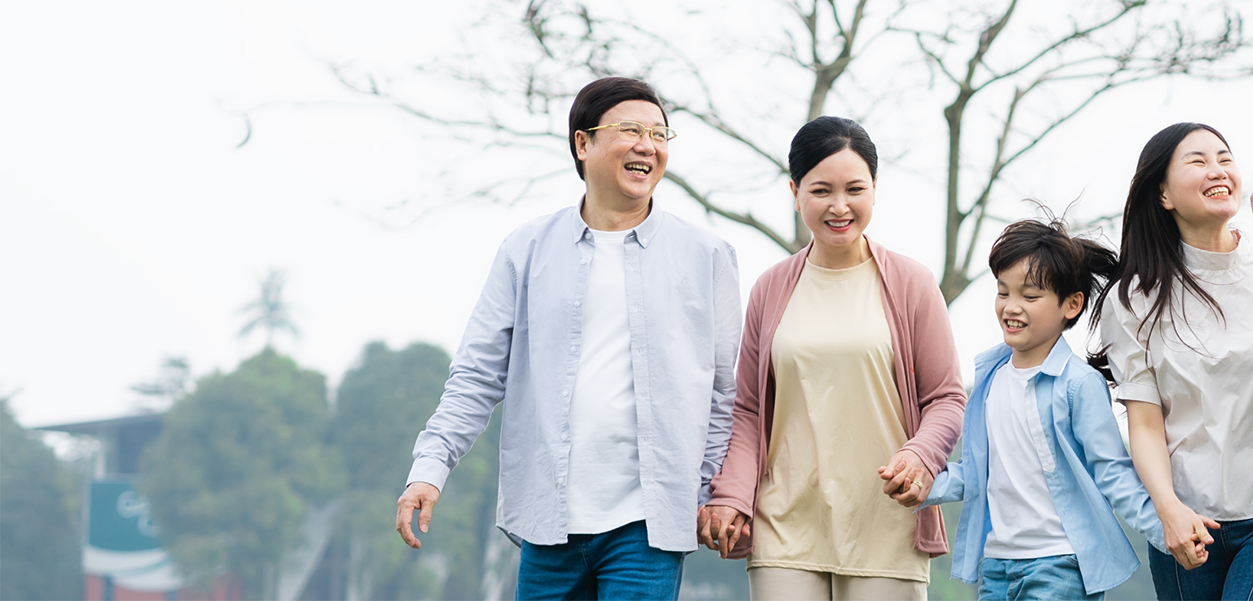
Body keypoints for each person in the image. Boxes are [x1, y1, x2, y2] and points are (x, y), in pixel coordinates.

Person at [394, 77, 742, 601]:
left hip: (648, 525)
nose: (648, 145)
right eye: (631, 130)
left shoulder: (706, 256)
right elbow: (476, 375)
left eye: (659, 134)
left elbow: (722, 393)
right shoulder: (526, 249)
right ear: (583, 143)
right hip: (547, 519)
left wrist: (711, 491)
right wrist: (429, 468)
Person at [697, 116, 966, 601]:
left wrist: (920, 456)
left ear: (875, 189)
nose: (839, 206)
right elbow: (749, 410)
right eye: (821, 190)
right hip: (784, 526)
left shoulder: (913, 284)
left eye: (854, 189)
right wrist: (731, 494)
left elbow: (945, 398)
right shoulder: (770, 288)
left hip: (885, 524)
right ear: (796, 192)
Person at [1090, 122, 1253, 601]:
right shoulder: (1132, 299)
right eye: (1197, 161)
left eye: (1224, 158)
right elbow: (1145, 423)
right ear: (1163, 195)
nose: (1217, 170)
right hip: (1188, 518)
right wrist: (1167, 509)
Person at [906, 217, 1165, 600]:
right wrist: (923, 485)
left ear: (1072, 304)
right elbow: (979, 472)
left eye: (1029, 297)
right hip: (995, 567)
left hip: (1059, 565)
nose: (1011, 307)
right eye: (1003, 292)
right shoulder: (989, 381)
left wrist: (1165, 529)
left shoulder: (1079, 384)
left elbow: (1111, 471)